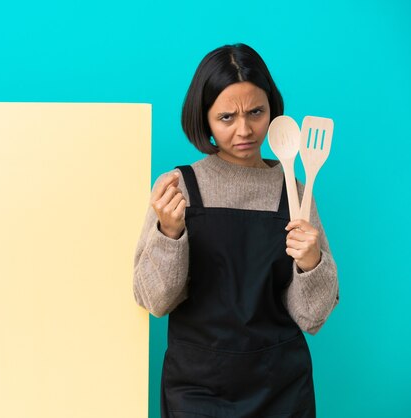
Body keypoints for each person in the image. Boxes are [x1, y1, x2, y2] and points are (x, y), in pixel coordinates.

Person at [133, 43, 339, 418]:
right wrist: (170, 232)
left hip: (280, 386)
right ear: (205, 119)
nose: (244, 130)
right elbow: (154, 302)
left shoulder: (294, 189)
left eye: (256, 112)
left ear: (273, 111)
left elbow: (313, 318)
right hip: (196, 389)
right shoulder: (177, 188)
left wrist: (312, 262)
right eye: (226, 117)